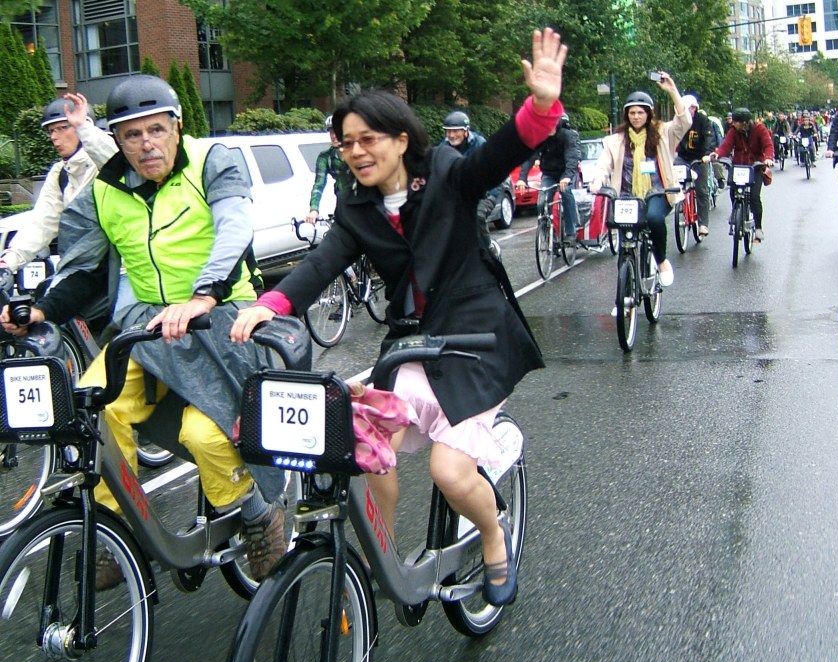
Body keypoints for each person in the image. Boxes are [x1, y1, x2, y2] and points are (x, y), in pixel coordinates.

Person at [231, 27, 568, 607]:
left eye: (367, 139)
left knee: (450, 472)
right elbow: (324, 262)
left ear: (401, 137)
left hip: (476, 337)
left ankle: (493, 540)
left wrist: (539, 108)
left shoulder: (445, 171)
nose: (356, 152)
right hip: (412, 341)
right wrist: (269, 304)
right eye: (345, 144)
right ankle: (377, 561)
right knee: (358, 448)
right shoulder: (356, 205)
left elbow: (499, 155)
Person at [0, 74, 288, 588]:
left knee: (207, 433)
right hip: (148, 326)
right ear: (118, 139)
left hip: (223, 317)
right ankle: (119, 530)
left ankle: (256, 516)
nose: (146, 143)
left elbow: (234, 226)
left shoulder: (212, 161)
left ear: (177, 126)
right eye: (132, 135)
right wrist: (40, 310)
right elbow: (85, 267)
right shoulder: (105, 189)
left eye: (156, 129)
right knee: (91, 407)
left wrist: (204, 293)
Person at [589, 74, 691, 287]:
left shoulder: (663, 133)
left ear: (648, 114)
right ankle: (623, 299)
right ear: (627, 115)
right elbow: (603, 165)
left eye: (640, 112)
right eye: (632, 113)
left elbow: (684, 121)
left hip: (658, 192)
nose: (636, 117)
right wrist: (597, 182)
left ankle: (661, 260)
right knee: (625, 244)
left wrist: (673, 91)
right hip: (627, 197)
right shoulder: (615, 140)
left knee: (654, 219)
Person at [0, 93, 116, 273]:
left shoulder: (102, 163)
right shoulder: (59, 173)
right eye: (51, 131)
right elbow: (42, 222)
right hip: (84, 269)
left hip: (123, 268)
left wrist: (84, 128)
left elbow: (117, 160)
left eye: (62, 128)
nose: (54, 137)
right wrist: (8, 262)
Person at [440, 110, 503, 259]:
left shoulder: (479, 145)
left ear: (466, 131)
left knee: (478, 215)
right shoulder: (444, 147)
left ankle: (489, 250)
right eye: (448, 132)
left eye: (456, 131)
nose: (451, 135)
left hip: (487, 191)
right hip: (462, 192)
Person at [515, 112, 581, 247]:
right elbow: (529, 157)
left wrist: (567, 176)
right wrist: (522, 178)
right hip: (549, 173)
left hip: (565, 173)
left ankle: (571, 232)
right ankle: (549, 235)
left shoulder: (567, 135)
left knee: (566, 192)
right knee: (542, 202)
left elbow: (572, 157)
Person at [710, 107, 774, 242]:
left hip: (755, 167)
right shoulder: (734, 131)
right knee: (733, 191)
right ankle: (736, 211)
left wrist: (768, 158)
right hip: (738, 166)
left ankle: (758, 227)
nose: (733, 124)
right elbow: (726, 145)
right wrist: (718, 154)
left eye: (736, 122)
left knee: (755, 197)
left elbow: (768, 144)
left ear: (744, 122)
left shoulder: (759, 129)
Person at [676, 94, 715, 236]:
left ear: (694, 108)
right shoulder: (679, 121)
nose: (686, 112)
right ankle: (680, 205)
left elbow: (709, 137)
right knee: (674, 183)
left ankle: (703, 224)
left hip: (700, 157)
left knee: (702, 190)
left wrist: (707, 153)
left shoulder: (702, 120)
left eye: (688, 109)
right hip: (683, 157)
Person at [305, 114, 349, 224]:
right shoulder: (325, 157)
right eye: (331, 132)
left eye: (337, 132)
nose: (333, 135)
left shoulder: (357, 153)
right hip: (342, 206)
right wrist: (314, 209)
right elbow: (319, 185)